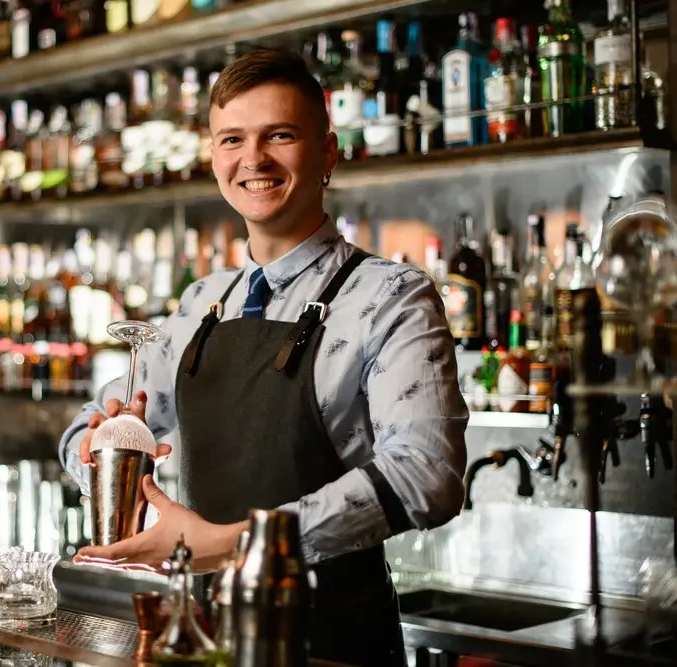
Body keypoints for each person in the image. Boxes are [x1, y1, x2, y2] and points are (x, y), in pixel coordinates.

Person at [58, 47, 468, 666]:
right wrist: (103, 451)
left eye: (280, 135)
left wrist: (236, 544)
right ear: (214, 158)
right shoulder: (201, 304)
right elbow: (85, 427)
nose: (253, 159)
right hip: (206, 640)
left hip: (334, 645)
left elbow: (428, 474)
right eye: (232, 140)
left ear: (327, 154)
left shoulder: (390, 295)